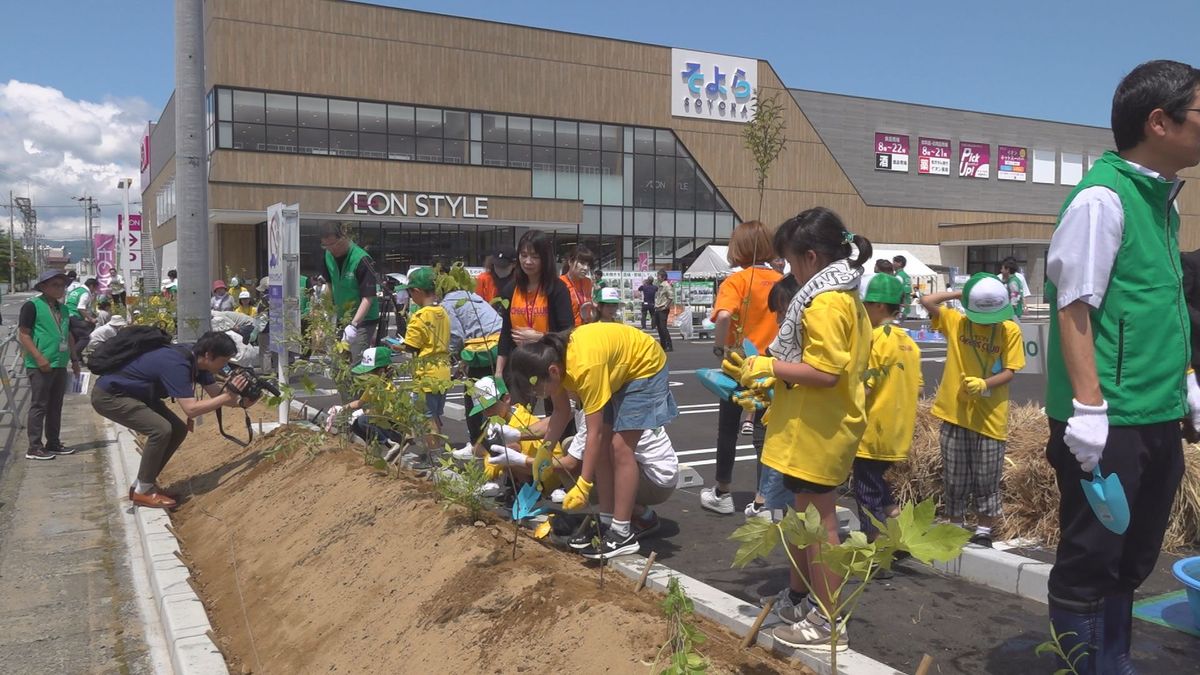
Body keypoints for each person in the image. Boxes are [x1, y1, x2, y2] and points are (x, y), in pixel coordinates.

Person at [1043, 60, 1200, 672]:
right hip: (1109, 422)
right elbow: (1074, 308)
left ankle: (1114, 660)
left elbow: (1161, 308)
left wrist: (1185, 381)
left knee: (1134, 556)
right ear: (1159, 122)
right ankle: (1082, 664)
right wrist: (1087, 409)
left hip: (1156, 411)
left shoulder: (1163, 203)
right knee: (1092, 557)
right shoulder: (1101, 199)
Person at [722, 207, 872, 650]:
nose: (787, 272)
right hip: (814, 424)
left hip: (818, 428)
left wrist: (767, 364)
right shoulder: (841, 294)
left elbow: (825, 372)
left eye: (788, 263)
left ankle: (827, 624)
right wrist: (769, 376)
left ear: (810, 257)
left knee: (820, 523)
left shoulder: (824, 302)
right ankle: (804, 601)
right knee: (804, 518)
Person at [508, 322, 677, 560]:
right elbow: (561, 413)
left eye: (537, 390)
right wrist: (544, 451)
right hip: (618, 367)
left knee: (619, 446)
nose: (537, 396)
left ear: (553, 372)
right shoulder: (553, 363)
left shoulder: (585, 368)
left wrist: (584, 484)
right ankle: (606, 522)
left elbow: (594, 433)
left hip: (644, 366)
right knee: (604, 447)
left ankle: (622, 532)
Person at [920, 273, 1024, 548]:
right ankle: (955, 525)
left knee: (987, 476)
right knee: (955, 475)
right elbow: (927, 300)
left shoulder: (1009, 330)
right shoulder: (957, 322)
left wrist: (984, 383)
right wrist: (960, 294)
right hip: (955, 412)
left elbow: (1011, 370)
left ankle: (983, 530)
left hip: (991, 415)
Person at [91, 332, 252, 509]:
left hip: (138, 395)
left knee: (178, 429)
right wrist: (229, 395)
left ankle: (143, 484)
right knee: (160, 430)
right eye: (223, 360)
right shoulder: (177, 363)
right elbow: (191, 408)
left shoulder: (200, 363)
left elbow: (216, 395)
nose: (225, 366)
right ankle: (142, 491)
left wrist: (242, 402)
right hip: (111, 396)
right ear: (208, 355)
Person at [700, 220, 782, 517]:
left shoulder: (735, 281)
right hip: (773, 366)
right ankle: (763, 499)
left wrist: (720, 349)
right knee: (765, 433)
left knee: (728, 429)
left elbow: (723, 316)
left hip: (738, 366)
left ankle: (723, 491)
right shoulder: (781, 280)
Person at [854, 273, 922, 543]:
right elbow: (917, 387)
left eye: (866, 304)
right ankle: (901, 534)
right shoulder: (909, 343)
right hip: (898, 432)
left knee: (867, 492)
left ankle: (876, 549)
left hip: (872, 431)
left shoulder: (873, 339)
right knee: (881, 488)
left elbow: (865, 387)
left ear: (879, 306)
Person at [18, 270, 81, 461]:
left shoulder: (63, 309)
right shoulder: (32, 306)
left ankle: (53, 442)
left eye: (62, 285)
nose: (60, 288)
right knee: (39, 405)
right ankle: (34, 447)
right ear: (43, 287)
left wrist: (75, 359)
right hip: (40, 364)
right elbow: (24, 334)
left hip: (59, 363)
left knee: (56, 405)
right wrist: (38, 358)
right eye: (55, 285)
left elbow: (68, 335)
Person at [494, 230, 574, 380]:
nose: (528, 261)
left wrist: (540, 337)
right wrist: (499, 371)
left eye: (535, 256)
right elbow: (505, 333)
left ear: (545, 258)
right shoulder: (510, 289)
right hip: (518, 366)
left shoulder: (558, 289)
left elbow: (568, 332)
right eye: (523, 255)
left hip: (548, 366)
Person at [441, 279, 503, 443]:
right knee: (498, 394)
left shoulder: (447, 303)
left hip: (484, 348)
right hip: (501, 345)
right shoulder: (472, 296)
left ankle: (477, 442)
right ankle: (499, 439)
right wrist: (463, 363)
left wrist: (448, 360)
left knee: (474, 395)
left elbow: (456, 336)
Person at [396, 267, 451, 436]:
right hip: (443, 371)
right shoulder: (442, 312)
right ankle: (435, 452)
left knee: (427, 417)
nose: (410, 297)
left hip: (426, 374)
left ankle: (432, 455)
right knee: (435, 415)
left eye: (411, 292)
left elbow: (411, 347)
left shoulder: (419, 317)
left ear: (417, 291)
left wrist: (395, 345)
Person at [320, 222, 380, 363]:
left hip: (363, 320)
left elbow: (368, 297)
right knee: (338, 363)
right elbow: (329, 285)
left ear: (344, 237)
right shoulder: (328, 256)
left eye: (333, 244)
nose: (330, 249)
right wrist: (326, 315)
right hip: (342, 317)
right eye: (325, 245)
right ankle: (342, 386)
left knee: (355, 364)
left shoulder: (361, 259)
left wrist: (354, 325)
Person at [324, 346, 402, 450]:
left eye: (370, 372)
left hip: (393, 427)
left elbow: (386, 412)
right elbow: (359, 402)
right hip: (382, 422)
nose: (366, 375)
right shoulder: (374, 385)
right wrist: (342, 409)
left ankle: (390, 443)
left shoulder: (388, 388)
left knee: (363, 420)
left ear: (382, 371)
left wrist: (365, 411)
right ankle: (374, 447)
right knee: (356, 424)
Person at [560, 245, 596, 326]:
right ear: (570, 262)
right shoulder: (559, 283)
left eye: (588, 265)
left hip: (585, 330)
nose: (586, 268)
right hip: (567, 332)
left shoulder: (588, 282)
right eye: (582, 263)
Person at [66, 277, 99, 362]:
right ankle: (73, 354)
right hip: (75, 316)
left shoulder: (77, 290)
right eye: (95, 288)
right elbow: (81, 308)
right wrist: (91, 319)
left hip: (67, 315)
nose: (95, 291)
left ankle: (78, 360)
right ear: (91, 286)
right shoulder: (85, 293)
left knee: (76, 338)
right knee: (85, 337)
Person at [652, 269, 675, 352]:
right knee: (659, 327)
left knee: (663, 327)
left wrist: (666, 306)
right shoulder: (660, 285)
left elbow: (671, 297)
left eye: (658, 276)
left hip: (662, 309)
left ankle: (669, 345)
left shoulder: (666, 285)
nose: (657, 277)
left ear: (663, 277)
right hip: (658, 308)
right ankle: (663, 345)